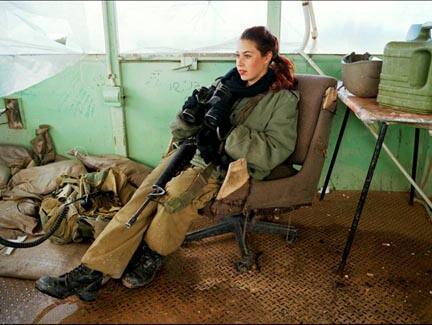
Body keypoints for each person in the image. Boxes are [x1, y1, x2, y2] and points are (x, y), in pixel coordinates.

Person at [35, 26, 300, 302]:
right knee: (141, 199)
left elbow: (274, 150)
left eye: (248, 56)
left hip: (227, 167)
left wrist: (227, 130)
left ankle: (151, 256)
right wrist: (190, 116)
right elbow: (182, 133)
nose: (239, 63)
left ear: (268, 57)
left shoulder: (282, 99)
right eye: (237, 55)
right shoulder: (228, 85)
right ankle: (88, 274)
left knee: (173, 200)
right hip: (192, 153)